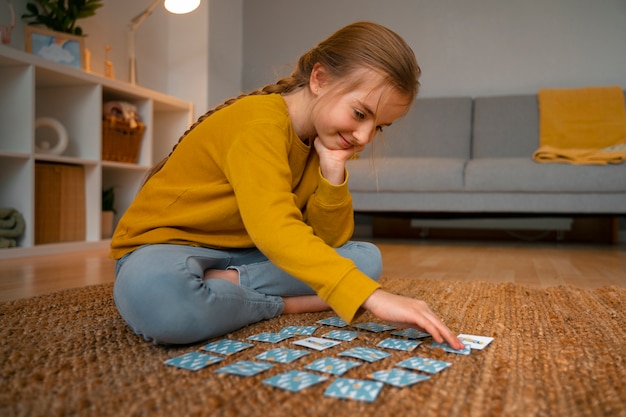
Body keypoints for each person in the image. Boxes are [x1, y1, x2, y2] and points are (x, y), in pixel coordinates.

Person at [110, 21, 464, 349]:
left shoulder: (328, 140)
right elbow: (276, 229)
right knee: (159, 298)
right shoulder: (259, 123)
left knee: (366, 259)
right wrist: (371, 298)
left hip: (246, 251)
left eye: (379, 127)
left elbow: (330, 241)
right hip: (169, 249)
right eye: (360, 114)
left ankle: (225, 285)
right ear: (320, 79)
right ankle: (286, 304)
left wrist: (332, 171)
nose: (365, 136)